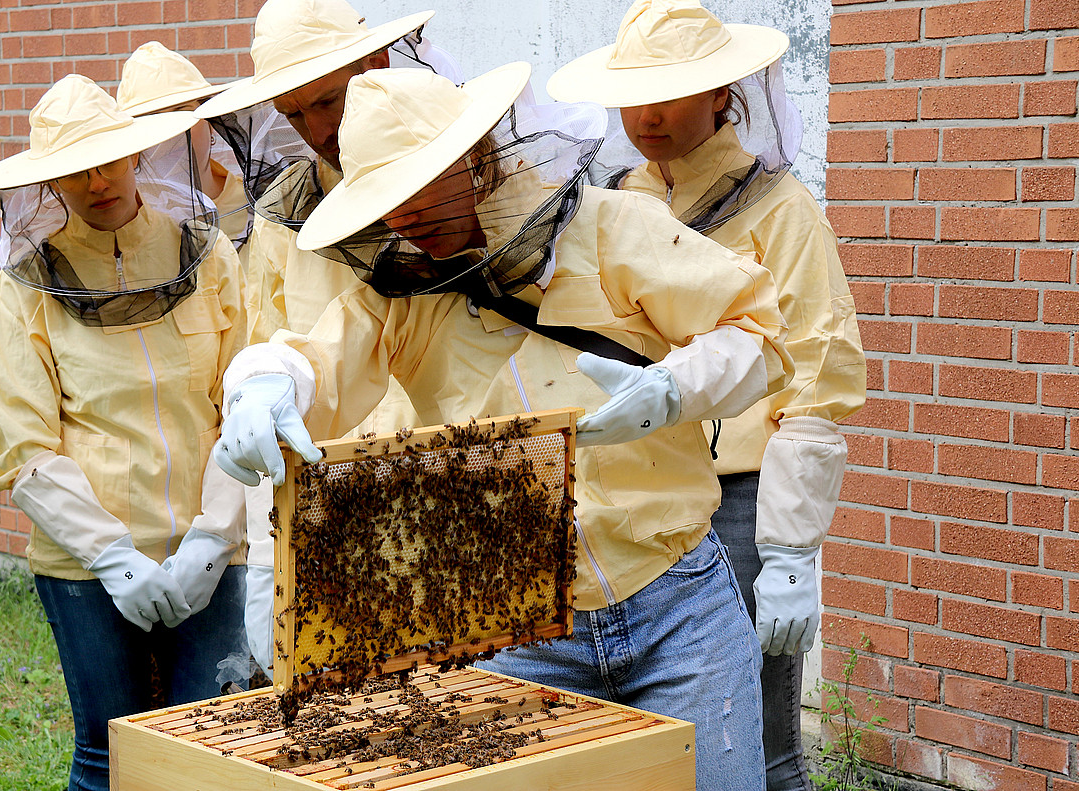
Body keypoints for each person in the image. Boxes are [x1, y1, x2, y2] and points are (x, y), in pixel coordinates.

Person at [212, 62, 796, 790]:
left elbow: (758, 331)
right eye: (385, 200)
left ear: (474, 153)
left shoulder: (611, 228)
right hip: (514, 623)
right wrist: (263, 385)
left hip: (677, 603)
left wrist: (675, 388)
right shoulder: (400, 290)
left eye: (420, 184)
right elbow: (316, 358)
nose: (405, 218)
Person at [547, 2, 867, 788]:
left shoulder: (783, 211)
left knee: (759, 741)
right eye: (635, 93)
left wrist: (791, 552)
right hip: (633, 499)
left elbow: (817, 377)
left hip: (741, 502)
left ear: (723, 94)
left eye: (671, 92)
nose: (645, 115)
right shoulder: (611, 203)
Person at [0, 74, 248, 791]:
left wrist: (214, 537)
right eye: (74, 171)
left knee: (205, 757)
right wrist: (111, 554)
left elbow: (239, 413)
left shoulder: (209, 256)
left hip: (209, 553)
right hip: (85, 568)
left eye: (108, 160)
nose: (97, 182)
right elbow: (27, 447)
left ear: (134, 156)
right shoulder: (26, 286)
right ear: (49, 185)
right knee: (107, 757)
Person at [193, 0, 456, 679]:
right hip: (331, 516)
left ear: (375, 65)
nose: (316, 128)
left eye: (328, 101)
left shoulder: (450, 180)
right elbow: (263, 385)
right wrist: (263, 568)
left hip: (454, 505)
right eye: (293, 113)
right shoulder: (282, 220)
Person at [116, 40, 252, 266]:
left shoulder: (255, 201)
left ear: (210, 120)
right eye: (153, 117)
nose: (173, 132)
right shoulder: (124, 219)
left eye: (182, 111)